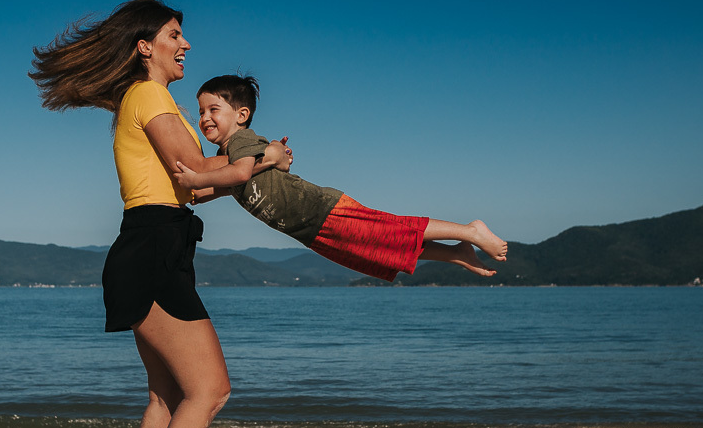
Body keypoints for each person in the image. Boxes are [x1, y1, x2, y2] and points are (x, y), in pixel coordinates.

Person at [29, 1, 291, 428]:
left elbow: (195, 189)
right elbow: (195, 171)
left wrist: (247, 169)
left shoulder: (146, 99)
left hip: (153, 244)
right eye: (176, 35)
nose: (187, 45)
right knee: (211, 390)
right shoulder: (148, 95)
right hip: (152, 250)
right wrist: (262, 158)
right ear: (146, 46)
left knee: (168, 396)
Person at [174, 74, 509, 281]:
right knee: (381, 250)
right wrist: (191, 192)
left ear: (241, 115)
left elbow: (240, 173)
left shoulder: (241, 143)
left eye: (212, 110)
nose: (204, 118)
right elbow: (221, 186)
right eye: (201, 111)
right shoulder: (228, 159)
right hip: (312, 232)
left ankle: (470, 231)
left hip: (322, 210)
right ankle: (456, 254)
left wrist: (193, 179)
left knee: (391, 229)